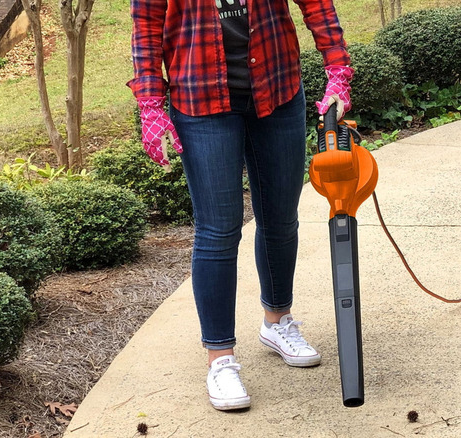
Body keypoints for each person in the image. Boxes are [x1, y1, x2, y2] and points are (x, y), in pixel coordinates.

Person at [128, 0, 353, 411]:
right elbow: (146, 26)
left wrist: (337, 69)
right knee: (218, 230)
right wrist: (150, 105)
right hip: (200, 101)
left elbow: (317, 4)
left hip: (277, 88)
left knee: (281, 218)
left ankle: (277, 320)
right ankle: (220, 358)